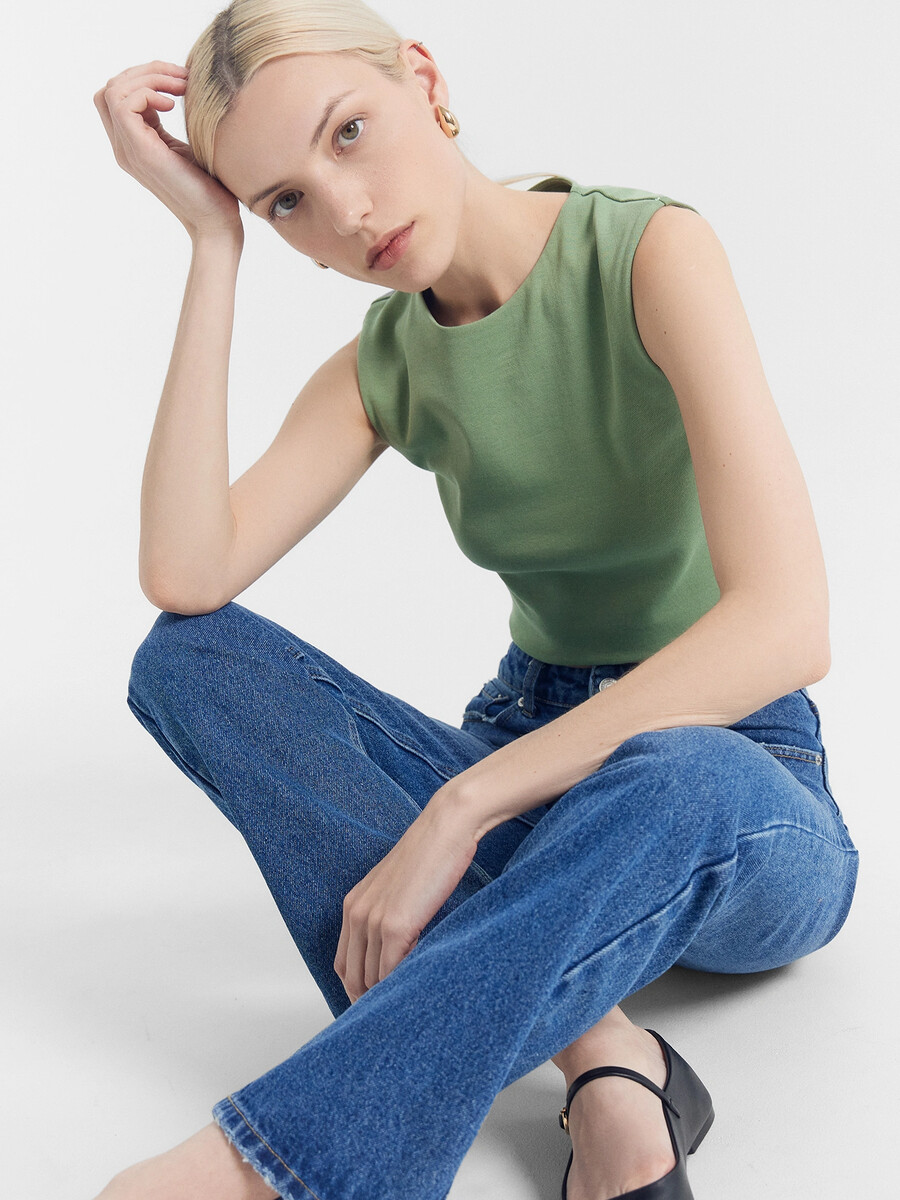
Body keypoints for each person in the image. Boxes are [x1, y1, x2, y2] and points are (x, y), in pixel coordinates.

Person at [91, 1, 860, 1198]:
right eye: (285, 200)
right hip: (528, 750)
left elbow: (786, 625)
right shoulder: (383, 363)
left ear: (425, 79)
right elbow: (188, 576)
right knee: (188, 662)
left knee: (682, 768)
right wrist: (210, 244)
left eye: (349, 132)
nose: (344, 212)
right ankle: (607, 1057)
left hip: (735, 772)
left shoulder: (647, 252)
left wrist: (461, 807)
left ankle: (270, 1167)